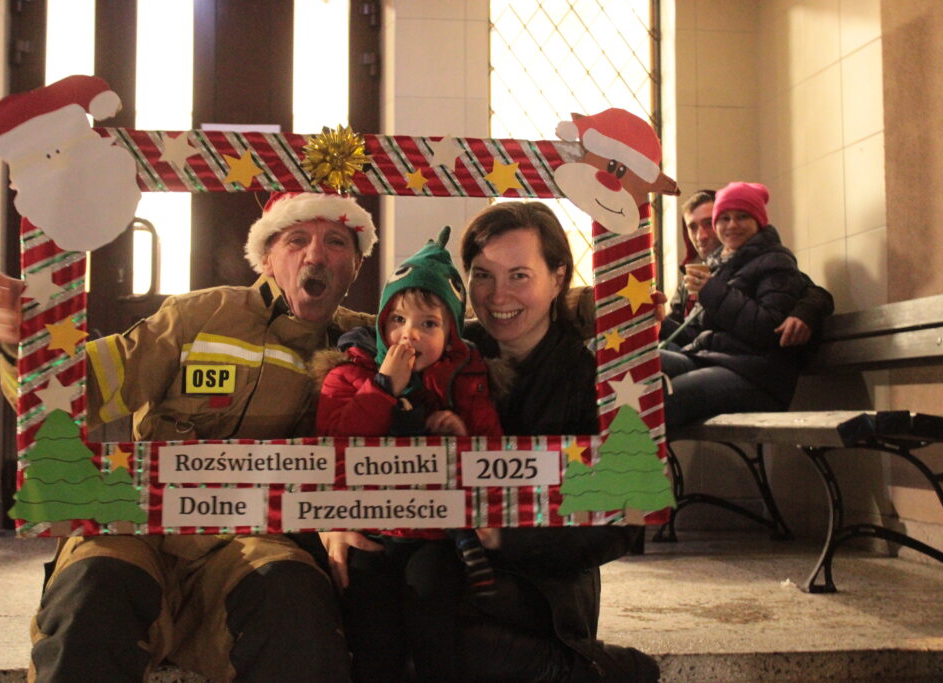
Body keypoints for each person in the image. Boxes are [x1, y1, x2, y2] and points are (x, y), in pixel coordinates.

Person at [0, 191, 380, 682]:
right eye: (297, 240)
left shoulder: (369, 345)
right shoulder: (196, 315)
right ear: (268, 257)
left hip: (251, 540)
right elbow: (81, 392)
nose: (315, 255)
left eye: (336, 241)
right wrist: (27, 348)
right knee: (90, 593)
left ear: (356, 264)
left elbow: (443, 357)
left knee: (295, 606)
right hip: (136, 525)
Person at [394, 201, 659, 682]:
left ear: (558, 278)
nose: (498, 295)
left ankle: (592, 671)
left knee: (447, 627)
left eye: (519, 275)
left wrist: (509, 535)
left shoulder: (599, 377)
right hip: (445, 557)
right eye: (483, 275)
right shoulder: (447, 351)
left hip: (546, 581)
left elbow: (627, 519)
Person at [313, 226, 503, 680]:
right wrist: (382, 388)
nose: (409, 335)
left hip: (434, 536)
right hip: (370, 530)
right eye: (397, 320)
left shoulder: (467, 380)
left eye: (428, 324)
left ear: (451, 334)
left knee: (435, 625)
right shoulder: (347, 375)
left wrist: (460, 436)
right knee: (373, 637)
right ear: (381, 323)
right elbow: (334, 446)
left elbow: (494, 456)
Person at [660, 182, 823, 429]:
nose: (732, 225)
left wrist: (712, 291)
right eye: (724, 218)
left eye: (742, 216)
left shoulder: (776, 260)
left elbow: (770, 328)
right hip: (711, 359)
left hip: (755, 376)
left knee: (664, 397)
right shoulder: (720, 265)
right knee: (632, 366)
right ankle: (604, 447)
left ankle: (626, 452)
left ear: (759, 220)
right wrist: (658, 321)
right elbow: (695, 333)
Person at [661, 189, 834, 349]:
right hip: (702, 355)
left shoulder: (766, 261)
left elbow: (813, 292)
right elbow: (681, 333)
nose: (701, 236)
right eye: (692, 227)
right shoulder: (690, 281)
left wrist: (805, 312)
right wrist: (655, 320)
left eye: (708, 223)